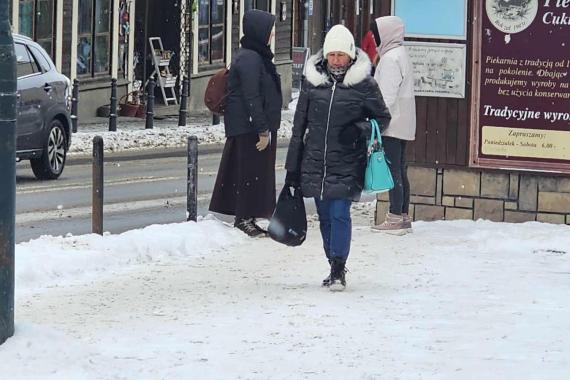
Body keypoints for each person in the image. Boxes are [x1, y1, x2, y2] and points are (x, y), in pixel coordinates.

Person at [284, 25, 391, 291]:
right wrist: (292, 166)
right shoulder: (313, 81)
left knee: (339, 212)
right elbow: (299, 126)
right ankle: (332, 261)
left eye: (340, 55)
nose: (335, 60)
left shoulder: (363, 83)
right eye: (331, 54)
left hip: (348, 159)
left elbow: (383, 118)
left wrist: (359, 130)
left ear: (351, 55)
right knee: (324, 216)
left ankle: (338, 268)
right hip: (315, 159)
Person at [209, 10, 282, 237]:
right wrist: (261, 128)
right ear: (258, 31)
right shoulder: (250, 58)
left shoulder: (254, 55)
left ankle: (248, 216)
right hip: (248, 128)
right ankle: (243, 218)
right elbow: (252, 96)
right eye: (268, 31)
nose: (270, 35)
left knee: (253, 172)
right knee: (249, 173)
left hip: (250, 126)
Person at [370, 16, 416, 235]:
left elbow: (385, 97)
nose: (374, 38)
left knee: (392, 170)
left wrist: (376, 121)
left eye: (376, 33)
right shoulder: (401, 54)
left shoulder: (390, 59)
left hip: (392, 123)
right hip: (403, 122)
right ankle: (403, 215)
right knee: (400, 169)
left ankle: (395, 216)